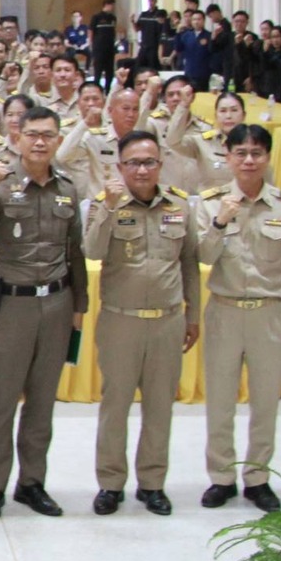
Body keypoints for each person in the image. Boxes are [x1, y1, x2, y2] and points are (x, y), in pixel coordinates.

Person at [0, 106, 89, 521]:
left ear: (58, 141)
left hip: (56, 304)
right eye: (32, 134)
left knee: (42, 402)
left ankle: (32, 483)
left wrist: (80, 306)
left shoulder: (67, 188)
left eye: (48, 135)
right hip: (12, 306)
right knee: (2, 402)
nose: (39, 142)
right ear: (17, 137)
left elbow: (75, 252)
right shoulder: (0, 182)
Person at [83, 130, 199, 516]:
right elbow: (92, 250)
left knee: (160, 406)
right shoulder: (105, 203)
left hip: (167, 321)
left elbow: (189, 264)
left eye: (149, 162)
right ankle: (110, 483)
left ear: (160, 165)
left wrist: (193, 315)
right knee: (115, 406)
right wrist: (109, 207)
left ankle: (152, 483)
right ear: (120, 167)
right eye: (133, 163)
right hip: (121, 321)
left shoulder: (179, 205)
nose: (142, 170)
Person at [193, 124, 281, 512]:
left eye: (257, 153)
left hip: (269, 313)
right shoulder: (211, 203)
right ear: (228, 157)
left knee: (265, 402)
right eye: (240, 153)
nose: (248, 160)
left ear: (268, 157)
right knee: (220, 401)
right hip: (224, 311)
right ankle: (221, 477)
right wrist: (221, 222)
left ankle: (258, 478)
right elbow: (203, 257)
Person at [89, 0, 119, 83]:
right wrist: (91, 44)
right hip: (99, 47)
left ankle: (108, 88)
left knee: (109, 70)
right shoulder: (96, 17)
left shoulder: (113, 18)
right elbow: (91, 31)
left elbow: (114, 30)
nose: (113, 8)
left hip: (110, 47)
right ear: (107, 5)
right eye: (112, 5)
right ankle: (96, 86)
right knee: (98, 69)